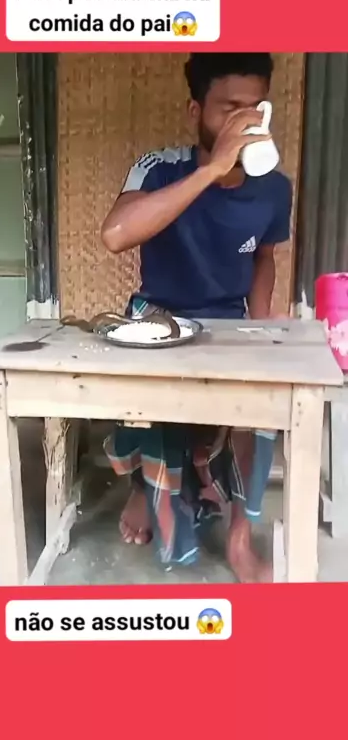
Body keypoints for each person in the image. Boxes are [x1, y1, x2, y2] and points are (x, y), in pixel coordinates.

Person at [100, 52, 292, 583]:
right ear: (195, 110)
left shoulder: (274, 188)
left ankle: (238, 535)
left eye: (256, 108)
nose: (246, 121)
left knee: (263, 402)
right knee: (134, 389)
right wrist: (211, 170)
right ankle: (143, 488)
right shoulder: (160, 168)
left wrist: (260, 328)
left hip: (228, 319)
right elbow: (115, 235)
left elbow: (264, 259)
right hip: (158, 316)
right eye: (230, 108)